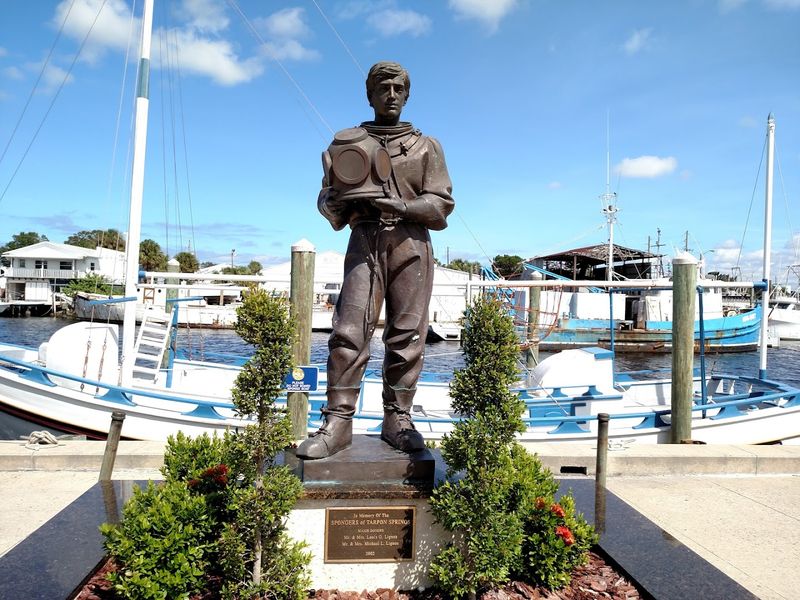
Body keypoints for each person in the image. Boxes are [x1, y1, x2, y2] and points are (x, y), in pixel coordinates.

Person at [296, 61, 454, 459]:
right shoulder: (348, 144)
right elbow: (327, 199)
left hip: (410, 244)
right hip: (364, 239)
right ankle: (337, 422)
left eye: (399, 88)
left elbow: (441, 206)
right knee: (348, 330)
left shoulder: (425, 146)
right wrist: (330, 202)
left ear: (408, 93)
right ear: (368, 95)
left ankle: (397, 418)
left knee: (407, 335)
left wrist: (401, 205)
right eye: (382, 88)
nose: (391, 95)